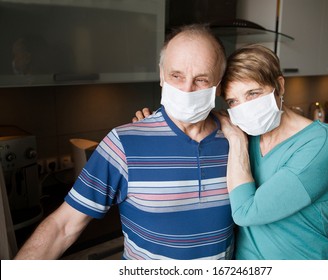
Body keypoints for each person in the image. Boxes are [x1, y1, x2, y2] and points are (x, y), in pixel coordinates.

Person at [14, 24, 235, 260]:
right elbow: (63, 226)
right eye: (176, 76)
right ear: (161, 75)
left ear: (219, 84)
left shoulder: (238, 140)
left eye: (201, 80)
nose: (187, 89)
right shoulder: (123, 143)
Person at [215, 43, 328, 259]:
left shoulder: (319, 143)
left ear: (280, 86)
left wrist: (236, 140)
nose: (244, 108)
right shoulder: (248, 132)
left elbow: (246, 212)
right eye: (233, 101)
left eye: (253, 93)